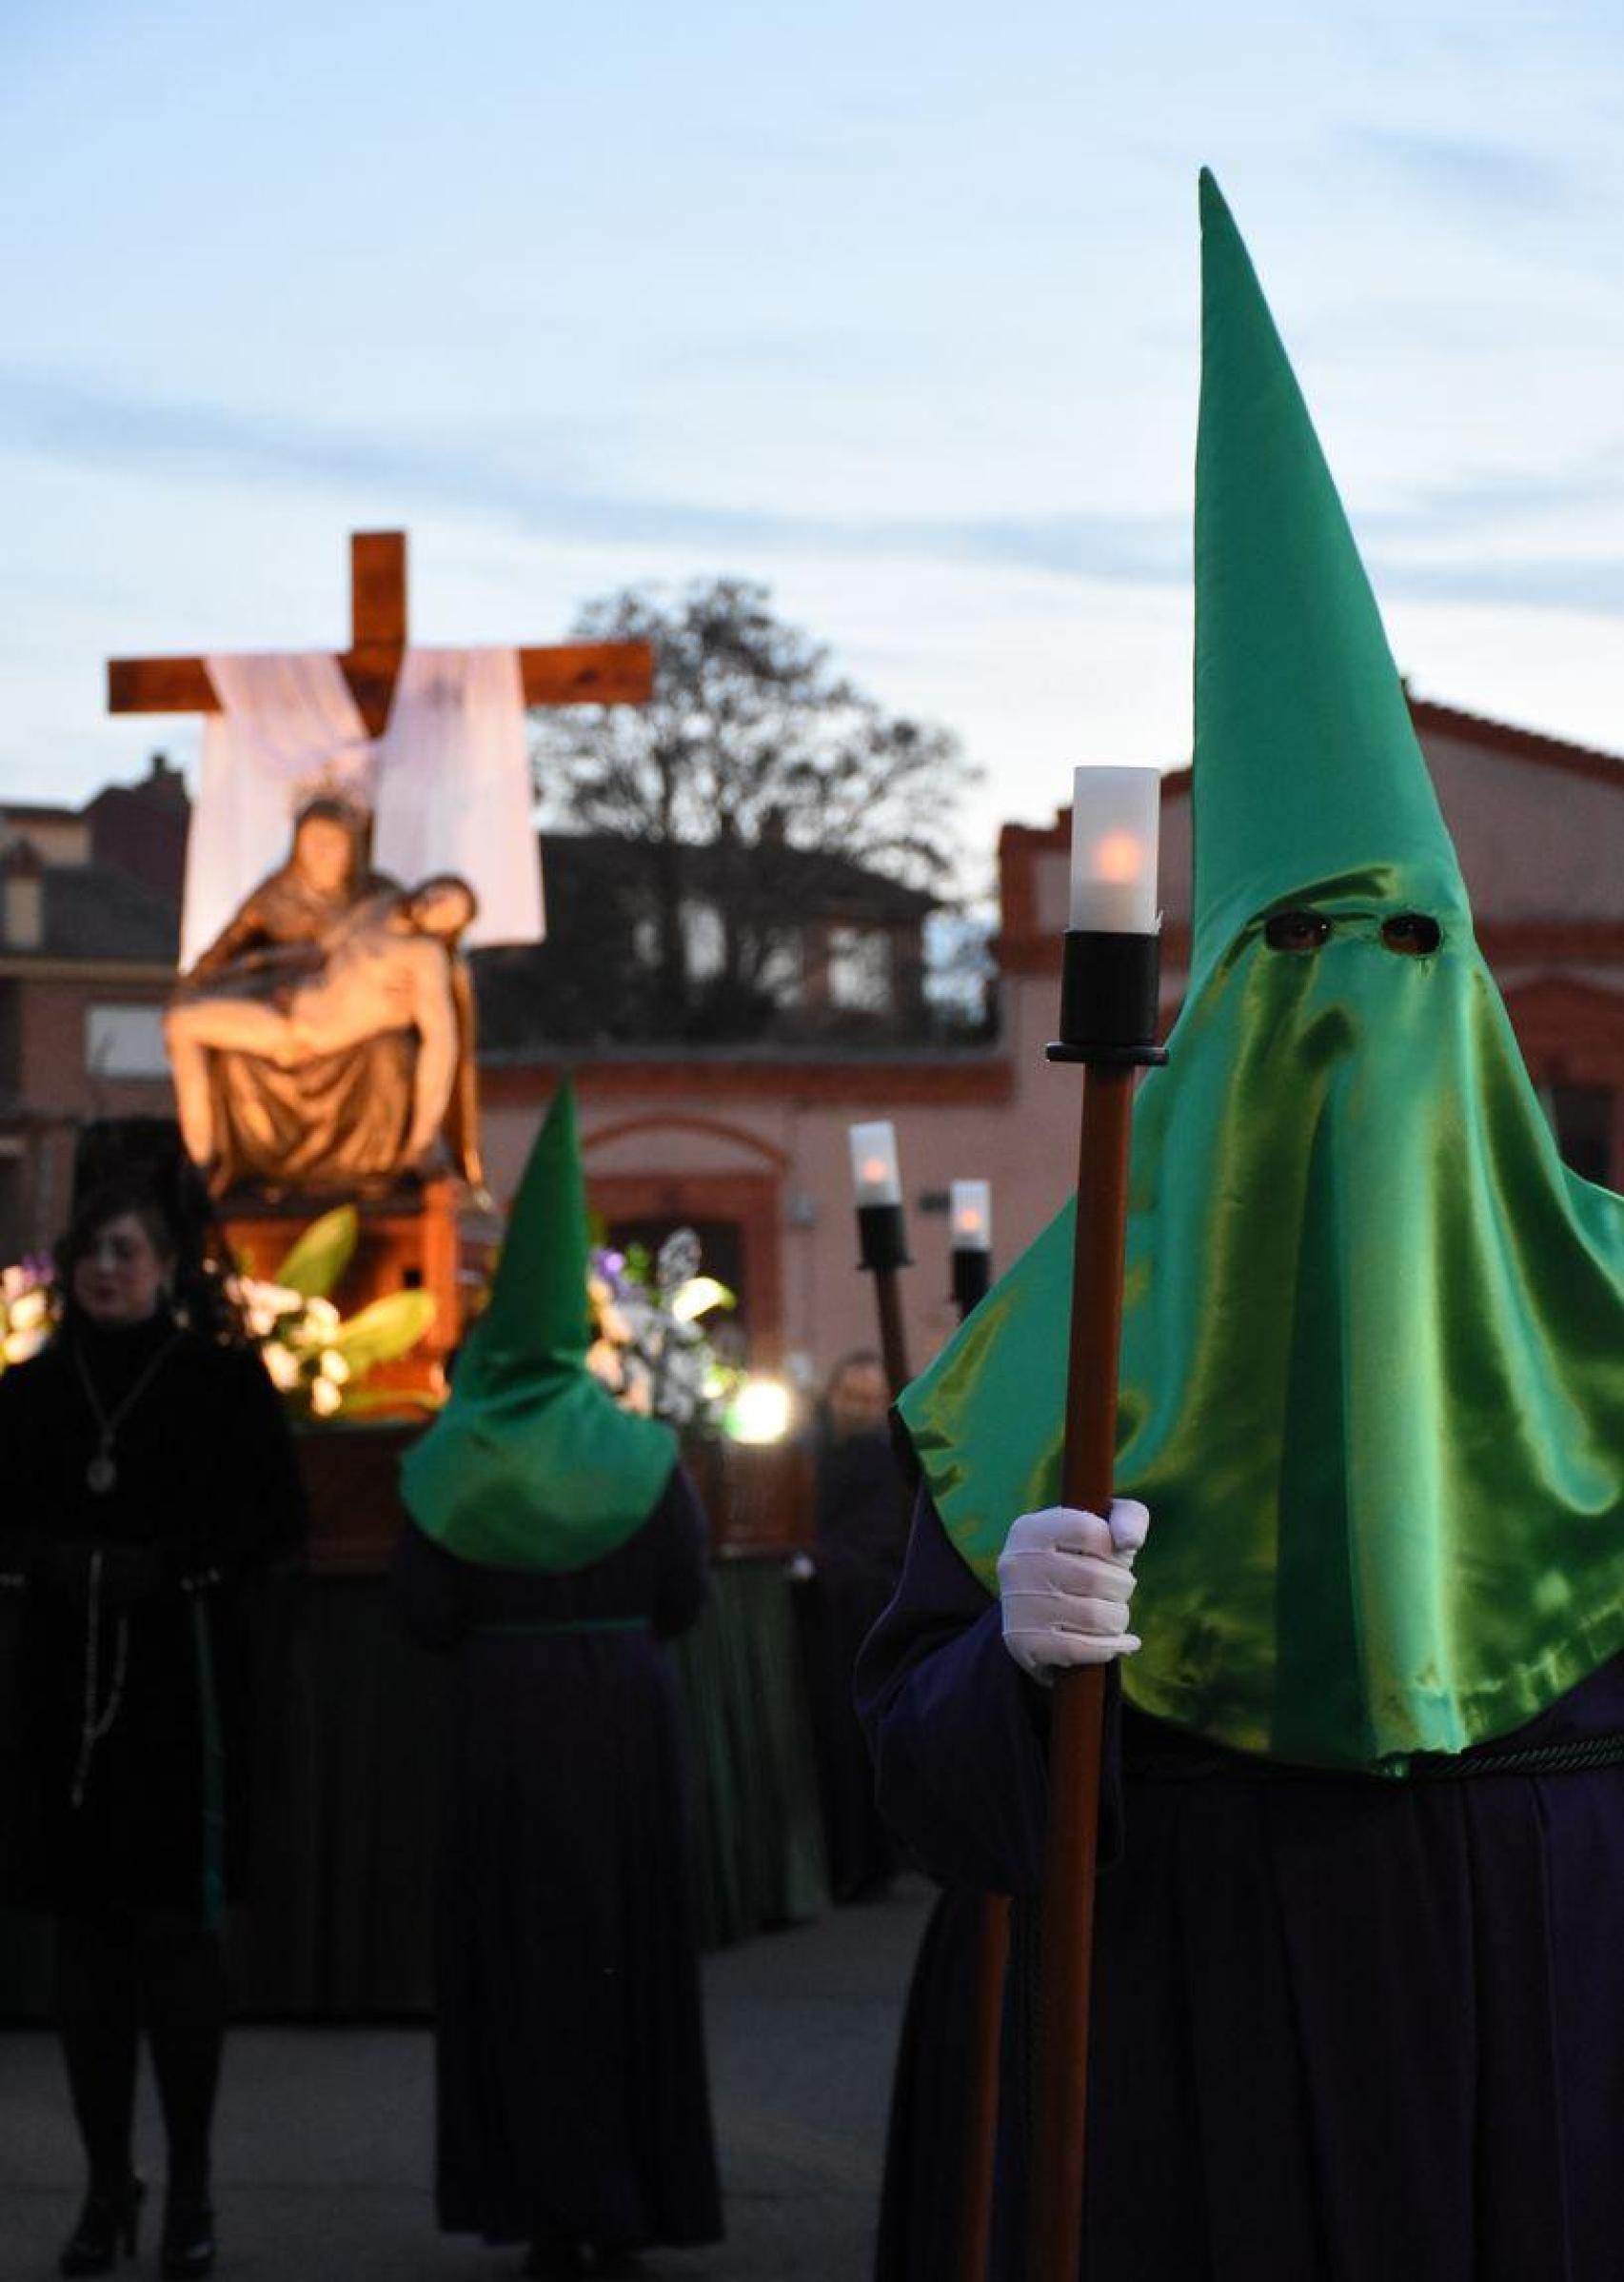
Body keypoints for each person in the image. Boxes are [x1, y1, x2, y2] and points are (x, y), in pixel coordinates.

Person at [860, 173, 1624, 2280]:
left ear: (1472, 1012)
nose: (1344, 1047)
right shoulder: (1044, 1355)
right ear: (1197, 1035)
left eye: (1393, 968)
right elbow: (919, 1798)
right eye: (1290, 979)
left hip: (1548, 2045)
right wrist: (1000, 1667)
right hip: (1173, 2053)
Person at [391, 1079, 723, 2280]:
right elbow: (686, 1596)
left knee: (518, 1957)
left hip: (499, 1725)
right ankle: (627, 2197)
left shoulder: (447, 1460)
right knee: (620, 1948)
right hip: (623, 1716)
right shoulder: (644, 1453)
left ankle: (536, 2201)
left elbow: (422, 1614)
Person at [0, 1176, 307, 2279]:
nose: (107, 1270)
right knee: (86, 1958)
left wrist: (170, 1569)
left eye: (126, 1251)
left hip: (184, 1697)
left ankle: (189, 2184)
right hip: (65, 1702)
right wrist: (55, 1562)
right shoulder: (32, 1392)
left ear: (168, 1265)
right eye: (91, 1253)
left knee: (177, 1948)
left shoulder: (220, 1383)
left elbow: (276, 1524)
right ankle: (102, 2184)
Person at [168, 798, 482, 1194]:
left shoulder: (422, 954)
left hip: (328, 1036)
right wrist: (261, 972)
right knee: (183, 1023)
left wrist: (422, 1138)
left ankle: (381, 1171)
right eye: (313, 840)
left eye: (335, 844)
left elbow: (442, 1038)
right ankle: (203, 1161)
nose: (322, 853)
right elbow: (298, 952)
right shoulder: (374, 909)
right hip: (284, 1014)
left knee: (388, 1054)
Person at [794, 1351, 907, 1901]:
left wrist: (818, 1562)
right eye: (851, 1398)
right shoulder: (813, 1455)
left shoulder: (885, 1465)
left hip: (860, 1623)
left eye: (870, 1401)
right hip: (824, 1623)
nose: (860, 1411)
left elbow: (880, 1542)